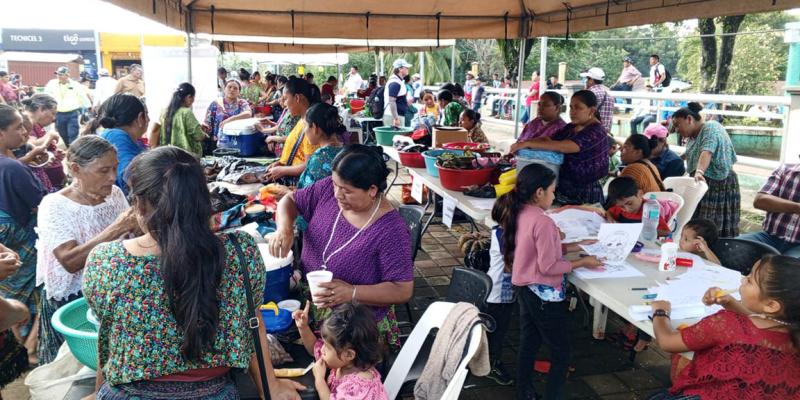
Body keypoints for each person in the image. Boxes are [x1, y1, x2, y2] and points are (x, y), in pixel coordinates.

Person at [83, 146, 305, 399]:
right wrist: (271, 387)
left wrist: (98, 391)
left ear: (140, 207)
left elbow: (109, 336)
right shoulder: (240, 252)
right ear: (202, 199)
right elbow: (253, 325)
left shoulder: (105, 261)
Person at [269, 145, 413, 349]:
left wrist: (352, 293)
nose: (337, 194)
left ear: (372, 190)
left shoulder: (391, 230)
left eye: (347, 191)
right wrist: (284, 229)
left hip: (353, 331)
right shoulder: (330, 188)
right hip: (310, 308)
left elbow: (402, 290)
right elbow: (290, 200)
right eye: (335, 185)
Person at [497, 164, 602, 400]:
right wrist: (582, 262)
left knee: (529, 341)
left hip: (525, 288)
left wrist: (577, 245)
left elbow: (538, 249)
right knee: (562, 352)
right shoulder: (543, 222)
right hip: (544, 294)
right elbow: (549, 267)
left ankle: (523, 391)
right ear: (539, 192)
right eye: (553, 191)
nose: (554, 196)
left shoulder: (520, 211)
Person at [35, 135, 134, 364]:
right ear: (76, 169)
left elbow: (132, 236)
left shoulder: (115, 194)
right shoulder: (54, 205)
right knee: (71, 368)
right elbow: (69, 261)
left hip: (109, 294)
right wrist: (117, 228)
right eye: (103, 171)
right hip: (73, 299)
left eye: (115, 169)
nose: (112, 177)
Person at [648, 255, 800, 400]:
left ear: (771, 305)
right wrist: (729, 303)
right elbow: (754, 327)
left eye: (750, 280)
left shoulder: (727, 323)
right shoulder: (792, 331)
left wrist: (660, 312)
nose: (742, 279)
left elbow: (667, 342)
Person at [0, 104, 46, 363]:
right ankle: (29, 348)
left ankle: (17, 345)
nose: (24, 132)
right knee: (35, 290)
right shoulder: (13, 168)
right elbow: (40, 203)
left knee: (8, 293)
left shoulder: (12, 163)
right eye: (17, 127)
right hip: (18, 238)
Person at [517, 90, 609, 205]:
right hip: (564, 190)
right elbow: (549, 140)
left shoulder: (596, 131)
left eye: (578, 108)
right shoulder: (571, 127)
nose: (573, 112)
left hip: (586, 194)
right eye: (571, 107)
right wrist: (526, 143)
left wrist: (527, 144)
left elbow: (564, 146)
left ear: (592, 110)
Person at [293, 302, 387, 400]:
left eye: (327, 347)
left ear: (349, 354)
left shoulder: (359, 387)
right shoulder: (343, 361)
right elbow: (314, 348)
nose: (322, 349)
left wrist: (319, 380)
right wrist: (303, 327)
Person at [672, 102, 740, 237]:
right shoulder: (693, 135)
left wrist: (699, 171)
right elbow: (693, 151)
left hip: (719, 183)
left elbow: (706, 151)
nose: (676, 130)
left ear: (689, 119)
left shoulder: (711, 128)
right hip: (702, 182)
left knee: (711, 224)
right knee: (698, 220)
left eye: (677, 125)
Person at [85, 94, 148, 195]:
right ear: (141, 118)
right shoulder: (117, 137)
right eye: (147, 114)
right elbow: (131, 179)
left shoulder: (116, 135)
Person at [262, 77, 321, 184]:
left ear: (297, 98)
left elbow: (310, 165)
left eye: (285, 99)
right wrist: (281, 163)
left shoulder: (310, 126)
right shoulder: (302, 120)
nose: (284, 104)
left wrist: (283, 170)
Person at [483, 202, 516, 386]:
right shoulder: (505, 237)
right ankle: (490, 364)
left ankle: (486, 360)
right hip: (498, 294)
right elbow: (512, 266)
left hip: (500, 292)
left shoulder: (501, 231)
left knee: (495, 328)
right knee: (496, 330)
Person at [737, 163, 800, 257]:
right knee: (731, 247)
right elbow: (760, 200)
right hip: (769, 237)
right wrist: (797, 207)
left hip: (798, 246)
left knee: (785, 268)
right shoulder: (784, 170)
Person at [605, 177, 679, 237]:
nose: (627, 209)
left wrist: (641, 231)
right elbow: (609, 212)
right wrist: (611, 219)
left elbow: (666, 232)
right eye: (621, 206)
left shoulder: (650, 210)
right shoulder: (619, 209)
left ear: (640, 194)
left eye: (630, 203)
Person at [20, 94, 66, 189]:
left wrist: (54, 154)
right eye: (53, 113)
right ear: (41, 109)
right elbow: (30, 145)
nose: (54, 118)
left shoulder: (35, 124)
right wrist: (49, 136)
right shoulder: (26, 124)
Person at [148, 83, 206, 157]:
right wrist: (205, 135)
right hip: (185, 156)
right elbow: (198, 136)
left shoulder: (164, 112)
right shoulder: (186, 112)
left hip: (168, 154)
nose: (193, 101)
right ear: (189, 97)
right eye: (193, 97)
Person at [297, 103, 344, 189]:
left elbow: (306, 195)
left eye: (306, 126)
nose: (304, 131)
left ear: (314, 128)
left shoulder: (319, 158)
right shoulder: (346, 151)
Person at [202, 79, 253, 155]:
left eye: (235, 88)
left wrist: (230, 119)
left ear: (239, 92)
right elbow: (208, 122)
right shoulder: (215, 104)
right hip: (218, 143)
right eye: (229, 87)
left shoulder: (242, 103)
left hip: (237, 142)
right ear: (224, 89)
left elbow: (248, 113)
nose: (232, 90)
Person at [45, 66, 90, 147]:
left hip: (72, 113)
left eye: (61, 75)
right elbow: (46, 95)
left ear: (67, 75)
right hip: (59, 113)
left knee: (72, 133)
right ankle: (69, 146)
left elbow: (82, 96)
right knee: (62, 133)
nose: (59, 76)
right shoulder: (52, 83)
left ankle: (72, 148)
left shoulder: (75, 85)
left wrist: (89, 107)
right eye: (58, 74)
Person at [580, 67, 614, 134]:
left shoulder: (589, 94)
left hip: (590, 132)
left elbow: (582, 115)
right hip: (604, 134)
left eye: (587, 78)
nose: (586, 81)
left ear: (591, 80)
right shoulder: (609, 96)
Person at [384, 58, 412, 127]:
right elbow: (392, 101)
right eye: (406, 67)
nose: (408, 69)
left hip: (396, 116)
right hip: (393, 117)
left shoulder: (398, 81)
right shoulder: (395, 82)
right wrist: (396, 118)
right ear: (400, 69)